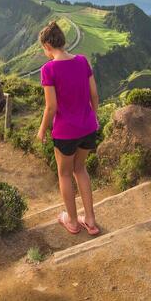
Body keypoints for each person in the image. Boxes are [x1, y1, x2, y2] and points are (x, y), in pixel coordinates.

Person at [36, 21, 101, 236]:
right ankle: (90, 220)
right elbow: (94, 95)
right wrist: (94, 117)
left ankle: (72, 221)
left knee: (64, 174)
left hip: (65, 132)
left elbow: (51, 107)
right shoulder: (82, 61)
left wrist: (42, 130)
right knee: (80, 169)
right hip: (88, 127)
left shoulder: (48, 69)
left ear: (47, 45)